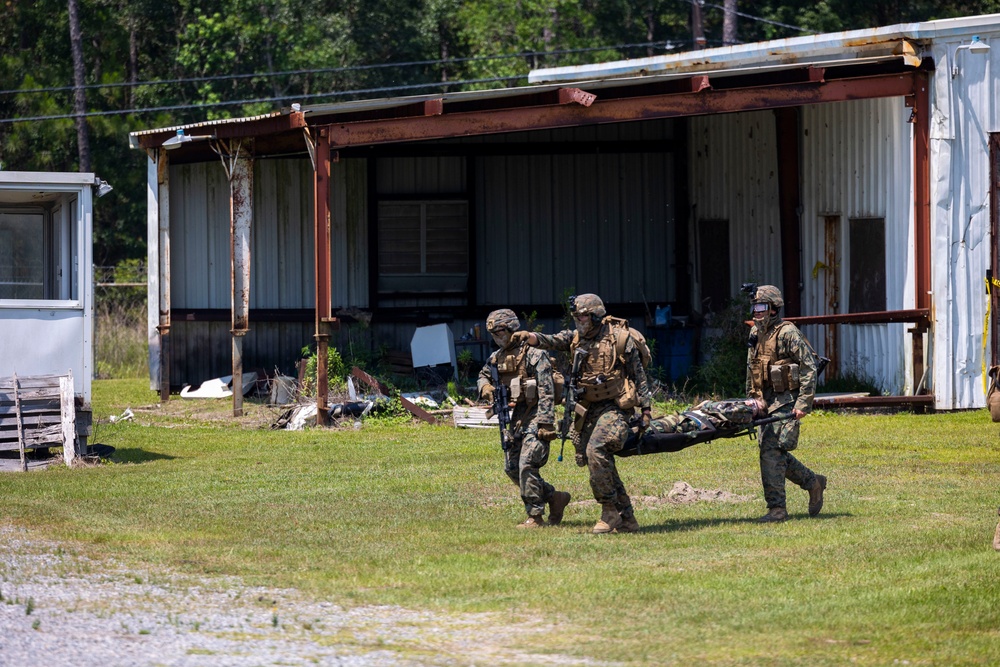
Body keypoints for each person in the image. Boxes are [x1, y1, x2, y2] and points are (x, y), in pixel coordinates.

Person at [513, 294, 652, 534]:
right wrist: (530, 336)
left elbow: (638, 375)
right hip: (589, 410)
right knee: (599, 461)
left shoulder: (620, 339)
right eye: (576, 316)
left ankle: (609, 512)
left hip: (616, 407)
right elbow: (551, 340)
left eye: (584, 316)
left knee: (596, 450)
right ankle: (627, 518)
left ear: (596, 315)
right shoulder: (575, 338)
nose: (579, 320)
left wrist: (646, 409)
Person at [477, 309, 571, 529]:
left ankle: (535, 516)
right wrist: (487, 388)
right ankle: (555, 497)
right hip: (518, 417)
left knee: (527, 464)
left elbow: (547, 390)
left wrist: (546, 424)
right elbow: (482, 375)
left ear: (512, 329)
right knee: (511, 467)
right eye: (493, 333)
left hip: (538, 414)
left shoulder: (534, 354)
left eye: (500, 331)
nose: (497, 336)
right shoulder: (496, 358)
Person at [746, 285, 827, 523]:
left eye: (761, 307)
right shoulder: (754, 334)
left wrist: (803, 403)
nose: (756, 311)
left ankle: (777, 510)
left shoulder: (788, 332)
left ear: (773, 309)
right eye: (754, 307)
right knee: (775, 451)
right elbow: (751, 369)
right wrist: (752, 399)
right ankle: (813, 482)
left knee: (770, 451)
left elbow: (809, 366)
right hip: (765, 401)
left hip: (786, 400)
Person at [646, 397, 766, 436]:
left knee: (655, 428)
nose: (750, 403)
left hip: (694, 421)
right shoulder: (740, 408)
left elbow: (725, 412)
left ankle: (631, 433)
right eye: (752, 400)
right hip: (691, 416)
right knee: (652, 423)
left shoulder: (746, 413)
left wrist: (707, 404)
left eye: (755, 405)